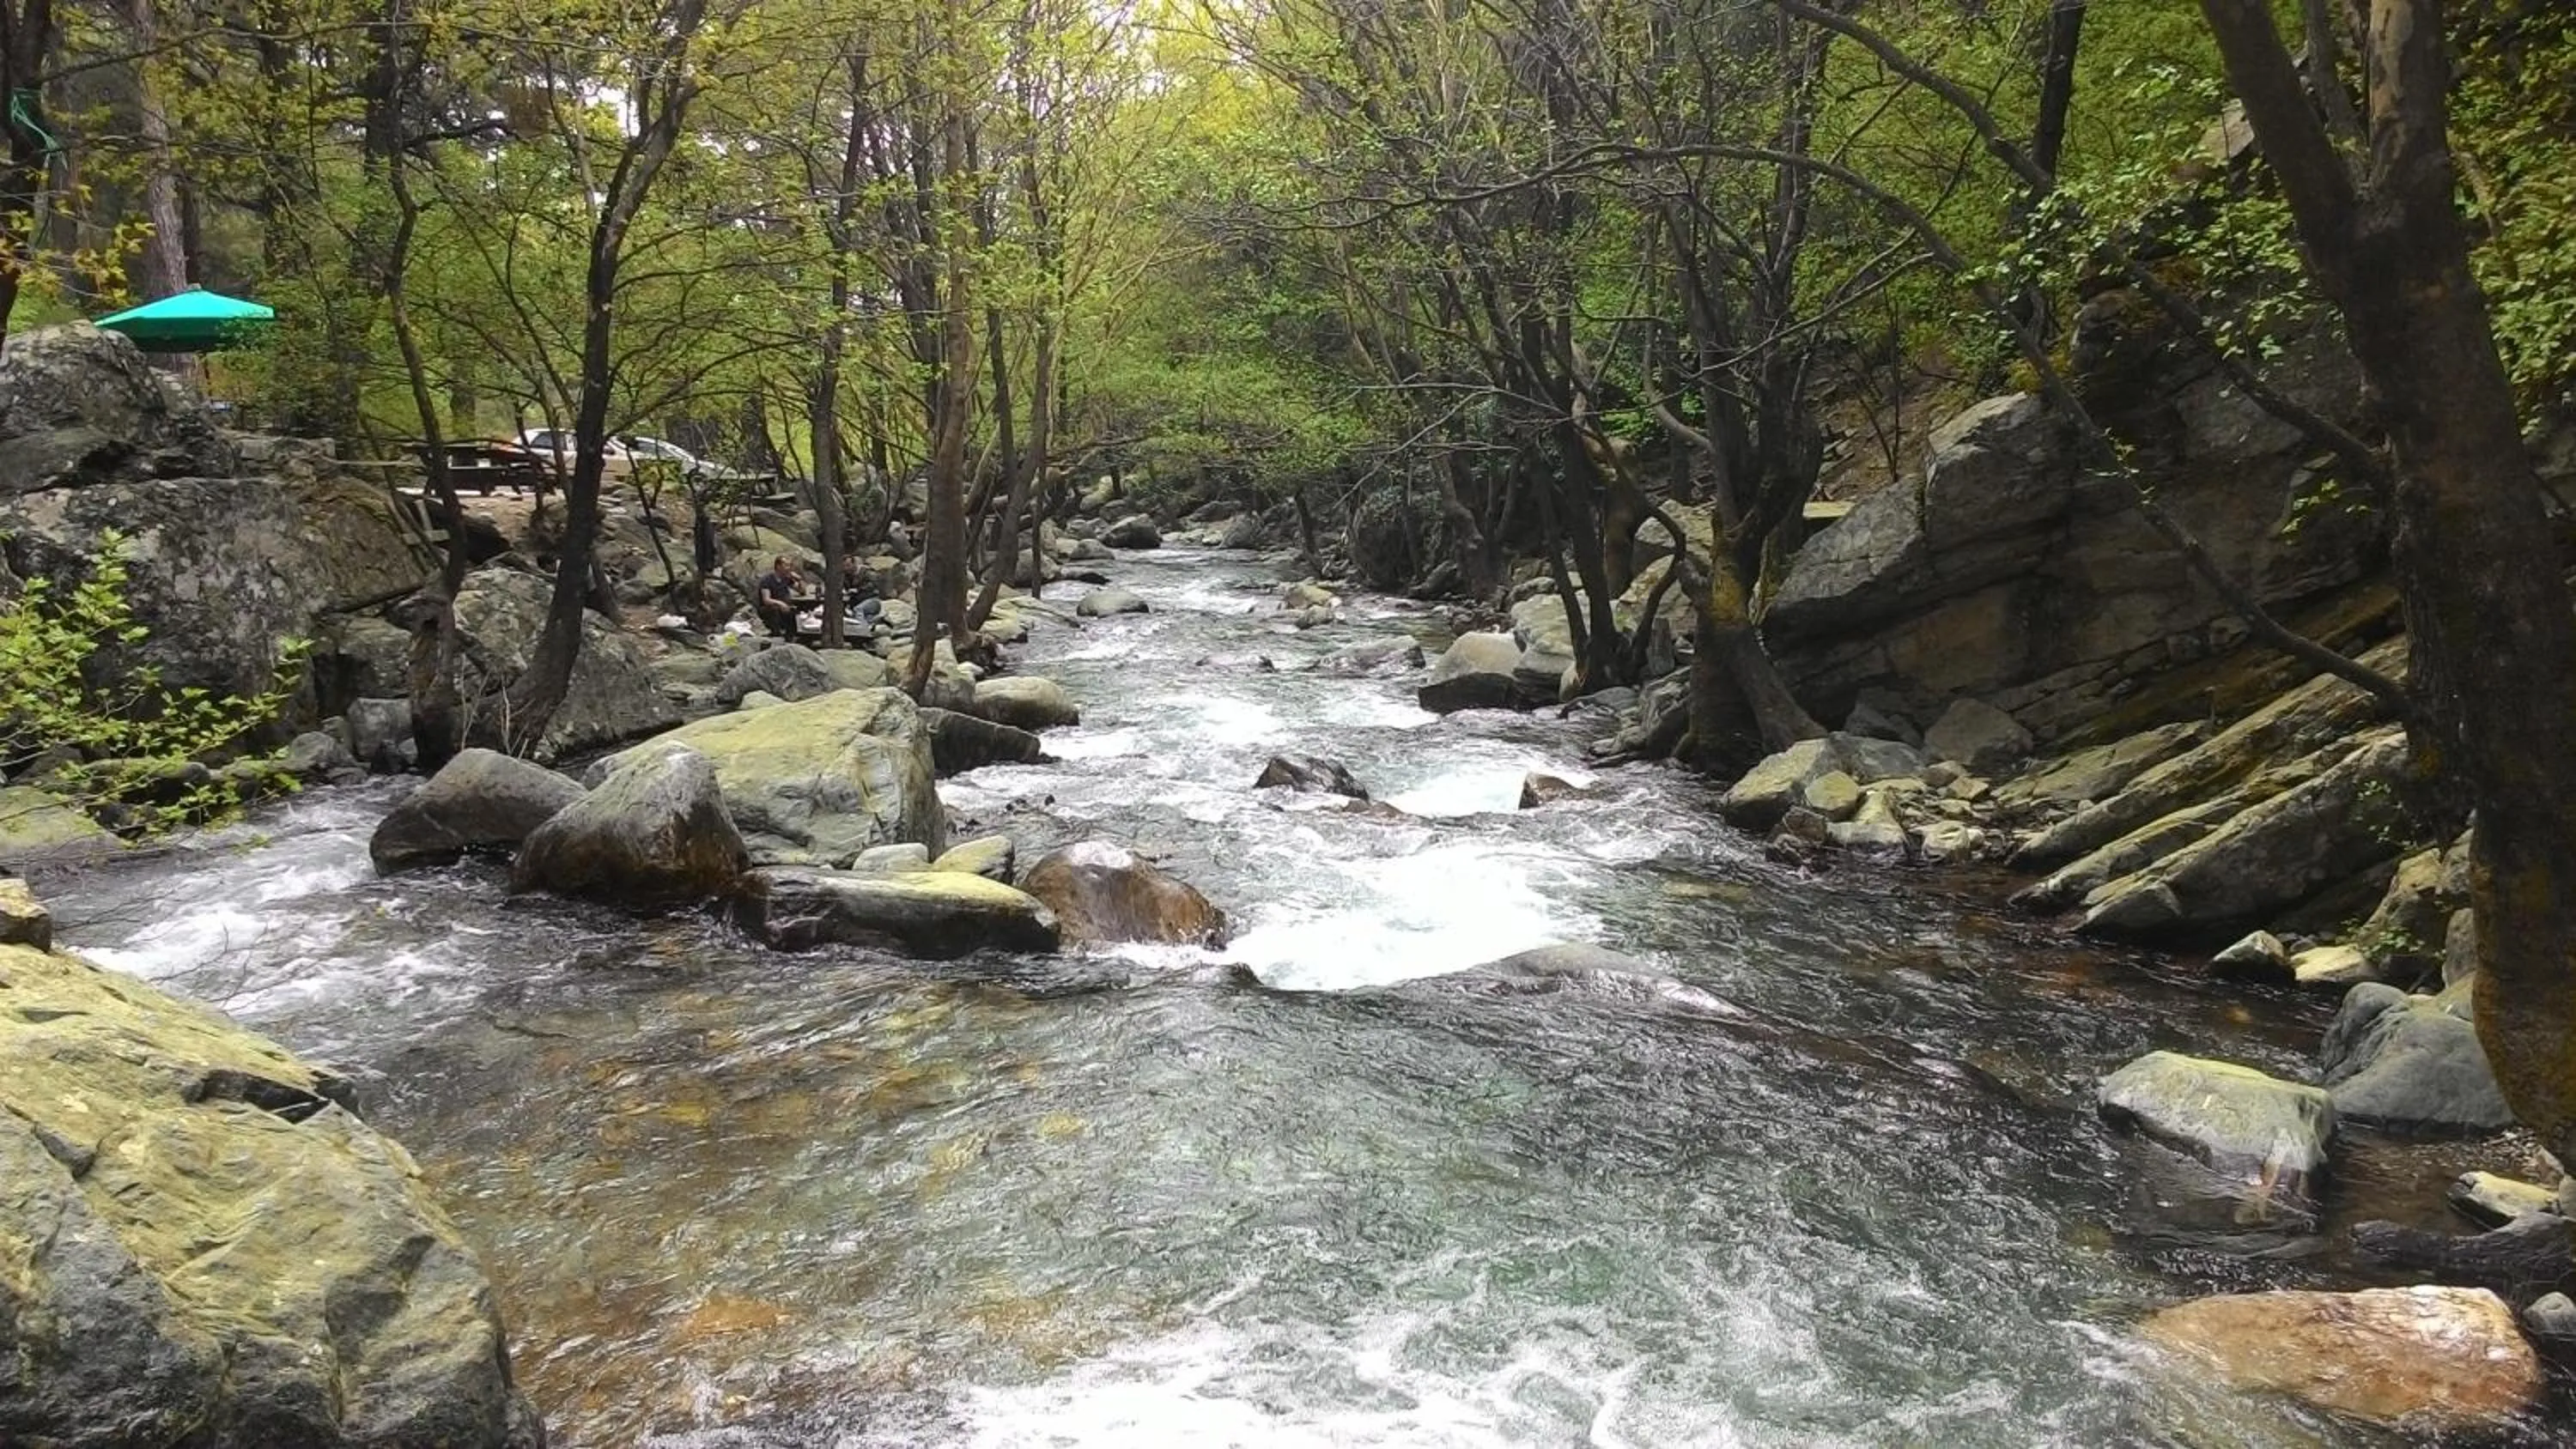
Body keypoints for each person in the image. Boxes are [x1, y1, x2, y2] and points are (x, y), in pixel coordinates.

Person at [756, 556, 803, 639]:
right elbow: (766, 600)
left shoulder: (786, 578)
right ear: (778, 566)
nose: (789, 568)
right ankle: (777, 634)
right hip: (770, 608)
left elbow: (801, 591)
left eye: (790, 566)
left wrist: (799, 580)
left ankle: (794, 635)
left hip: (785, 606)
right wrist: (781, 603)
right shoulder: (767, 580)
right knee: (776, 610)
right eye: (786, 566)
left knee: (797, 609)